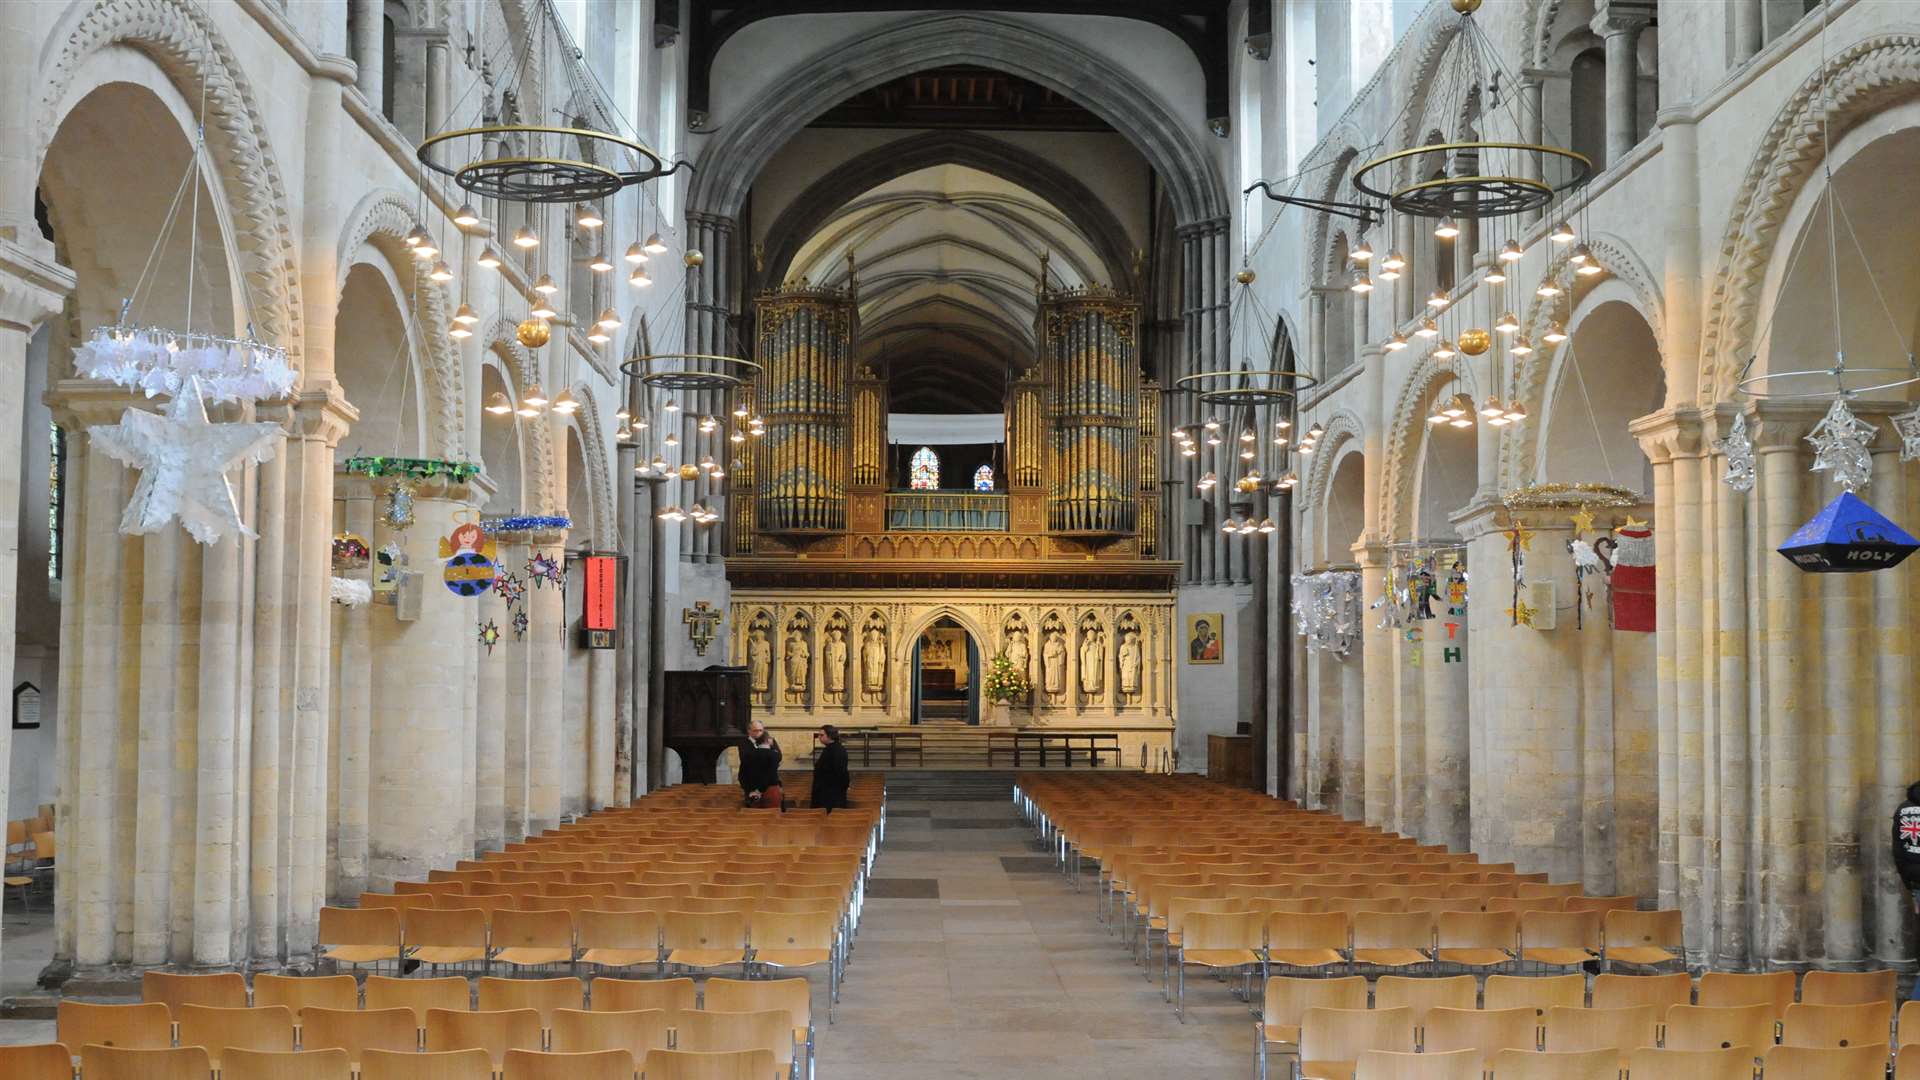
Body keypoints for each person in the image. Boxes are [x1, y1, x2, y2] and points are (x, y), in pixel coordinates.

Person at [738, 720, 783, 810]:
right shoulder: (744, 743)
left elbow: (779, 756)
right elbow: (744, 764)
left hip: (769, 786)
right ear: (749, 731)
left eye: (761, 730)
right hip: (752, 786)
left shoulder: (771, 741)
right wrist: (750, 790)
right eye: (756, 730)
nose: (759, 733)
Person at [809, 724, 851, 812]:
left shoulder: (836, 750)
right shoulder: (830, 749)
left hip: (831, 795)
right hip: (826, 793)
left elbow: (841, 772)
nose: (819, 737)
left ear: (830, 735)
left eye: (821, 735)